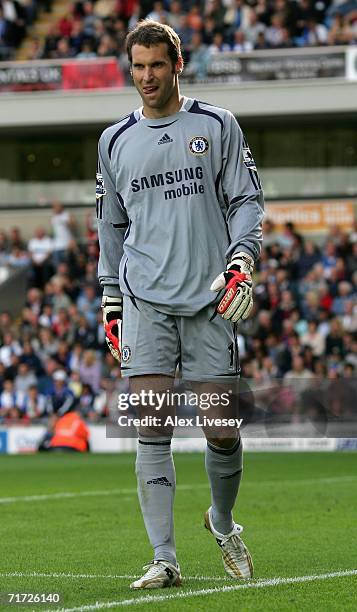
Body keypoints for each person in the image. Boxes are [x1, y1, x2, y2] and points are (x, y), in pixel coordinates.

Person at [96, 20, 264, 590]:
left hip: (210, 298)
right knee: (152, 422)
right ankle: (164, 557)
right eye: (137, 66)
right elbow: (111, 226)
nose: (146, 77)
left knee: (220, 426)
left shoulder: (217, 125)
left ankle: (221, 521)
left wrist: (242, 260)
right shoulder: (114, 140)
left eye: (156, 65)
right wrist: (110, 298)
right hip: (145, 298)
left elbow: (245, 199)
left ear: (177, 64)